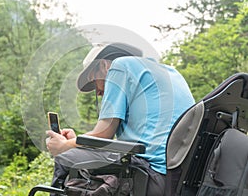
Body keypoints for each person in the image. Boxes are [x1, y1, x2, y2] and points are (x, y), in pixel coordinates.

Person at [46, 42, 195, 195]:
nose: (97, 92)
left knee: (65, 159)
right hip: (180, 178)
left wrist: (65, 146)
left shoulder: (119, 66)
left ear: (104, 66)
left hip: (150, 175)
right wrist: (76, 142)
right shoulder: (172, 72)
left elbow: (104, 134)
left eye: (94, 81)